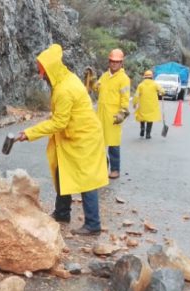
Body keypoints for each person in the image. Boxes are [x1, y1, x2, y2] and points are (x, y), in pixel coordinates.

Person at [16, 43, 108, 236]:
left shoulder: (64, 89)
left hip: (84, 138)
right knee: (62, 171)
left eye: (43, 73)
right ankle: (62, 212)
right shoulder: (64, 79)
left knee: (86, 180)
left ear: (51, 70)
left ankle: (93, 224)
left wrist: (29, 133)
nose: (41, 76)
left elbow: (59, 123)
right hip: (72, 135)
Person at [95, 48, 130, 179]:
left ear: (121, 63)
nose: (114, 64)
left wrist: (123, 112)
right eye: (112, 61)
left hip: (114, 117)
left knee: (113, 144)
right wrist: (92, 80)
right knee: (99, 143)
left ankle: (115, 169)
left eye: (117, 62)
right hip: (100, 116)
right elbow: (96, 88)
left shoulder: (123, 79)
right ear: (109, 62)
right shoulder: (104, 76)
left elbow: (125, 98)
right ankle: (103, 168)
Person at [133, 70, 164, 139]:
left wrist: (134, 103)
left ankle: (142, 128)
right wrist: (162, 93)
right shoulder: (155, 84)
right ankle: (148, 134)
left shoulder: (141, 85)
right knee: (150, 119)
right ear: (151, 77)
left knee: (142, 117)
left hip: (142, 105)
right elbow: (162, 91)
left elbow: (136, 95)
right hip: (152, 106)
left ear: (144, 77)